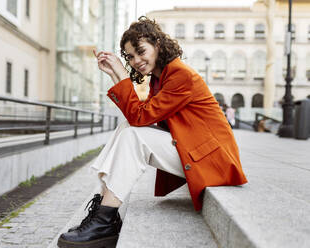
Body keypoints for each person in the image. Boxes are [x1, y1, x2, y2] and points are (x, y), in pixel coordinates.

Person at [57, 16, 248, 248]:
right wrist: (115, 75)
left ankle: (104, 218)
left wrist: (121, 73)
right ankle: (103, 213)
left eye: (140, 51)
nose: (136, 60)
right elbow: (136, 116)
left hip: (214, 160)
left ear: (158, 44)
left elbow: (141, 117)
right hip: (196, 150)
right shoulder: (161, 78)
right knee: (127, 128)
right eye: (130, 57)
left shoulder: (180, 75)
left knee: (133, 134)